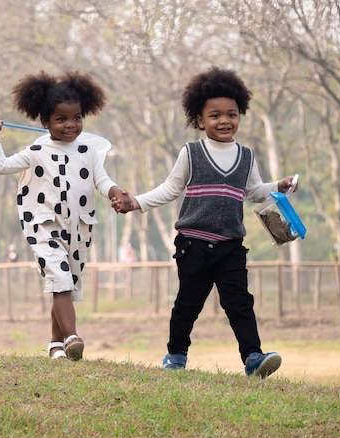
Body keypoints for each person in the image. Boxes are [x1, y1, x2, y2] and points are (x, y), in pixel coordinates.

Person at [113, 66, 297, 378]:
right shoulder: (191, 153)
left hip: (230, 246)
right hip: (193, 245)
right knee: (187, 304)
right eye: (215, 115)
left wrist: (278, 186)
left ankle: (253, 357)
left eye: (232, 114)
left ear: (240, 115)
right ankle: (176, 354)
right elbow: (170, 189)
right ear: (200, 120)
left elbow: (253, 191)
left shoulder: (247, 156)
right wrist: (136, 202)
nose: (224, 120)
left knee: (239, 303)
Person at [0, 70, 130, 361]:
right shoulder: (36, 150)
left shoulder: (89, 150)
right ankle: (72, 337)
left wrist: (115, 191)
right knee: (60, 278)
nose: (71, 125)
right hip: (44, 227)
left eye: (76, 118)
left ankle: (55, 344)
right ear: (45, 122)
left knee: (66, 283)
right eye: (61, 119)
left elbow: (101, 179)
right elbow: (0, 166)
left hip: (79, 228)